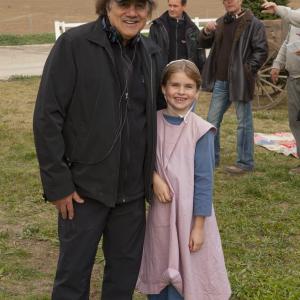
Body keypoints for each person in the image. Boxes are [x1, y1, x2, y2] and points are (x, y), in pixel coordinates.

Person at [33, 0, 165, 299]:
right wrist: (58, 184)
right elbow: (47, 117)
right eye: (123, 4)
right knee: (72, 277)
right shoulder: (74, 45)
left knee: (122, 278)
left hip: (131, 195)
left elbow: (157, 116)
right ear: (106, 6)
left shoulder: (151, 53)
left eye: (141, 6)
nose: (132, 13)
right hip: (82, 192)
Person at [136, 60, 231, 300]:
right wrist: (153, 177)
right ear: (163, 88)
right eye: (174, 85)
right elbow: (140, 157)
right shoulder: (151, 123)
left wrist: (198, 227)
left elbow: (203, 182)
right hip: (161, 214)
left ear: (197, 91)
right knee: (160, 263)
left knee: (189, 273)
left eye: (188, 87)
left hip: (190, 217)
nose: (181, 92)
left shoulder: (201, 131)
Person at [199, 0, 268, 174]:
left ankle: (245, 163)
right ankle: (211, 158)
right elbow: (203, 43)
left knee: (244, 123)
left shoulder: (254, 24)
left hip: (240, 80)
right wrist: (207, 31)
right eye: (225, 0)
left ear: (241, 1)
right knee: (211, 122)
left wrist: (246, 70)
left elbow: (261, 51)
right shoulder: (221, 21)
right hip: (221, 81)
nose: (229, 2)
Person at [270, 21, 300, 174]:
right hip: (293, 79)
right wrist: (276, 64)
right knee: (294, 121)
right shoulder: (295, 21)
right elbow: (286, 43)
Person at [149, 0, 206, 73]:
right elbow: (150, 56)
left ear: (184, 6)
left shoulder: (193, 30)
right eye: (170, 5)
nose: (171, 9)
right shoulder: (156, 28)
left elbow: (200, 58)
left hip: (186, 77)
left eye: (175, 6)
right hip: (163, 77)